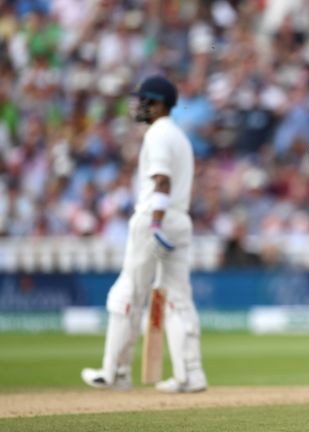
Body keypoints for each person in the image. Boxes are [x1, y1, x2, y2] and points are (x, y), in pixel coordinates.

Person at [81, 75, 208, 393]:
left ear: (159, 103)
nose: (138, 106)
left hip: (157, 218)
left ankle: (115, 373)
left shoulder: (158, 134)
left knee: (127, 293)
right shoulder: (178, 136)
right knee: (178, 297)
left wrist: (154, 224)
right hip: (179, 221)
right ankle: (190, 374)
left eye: (144, 100)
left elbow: (161, 181)